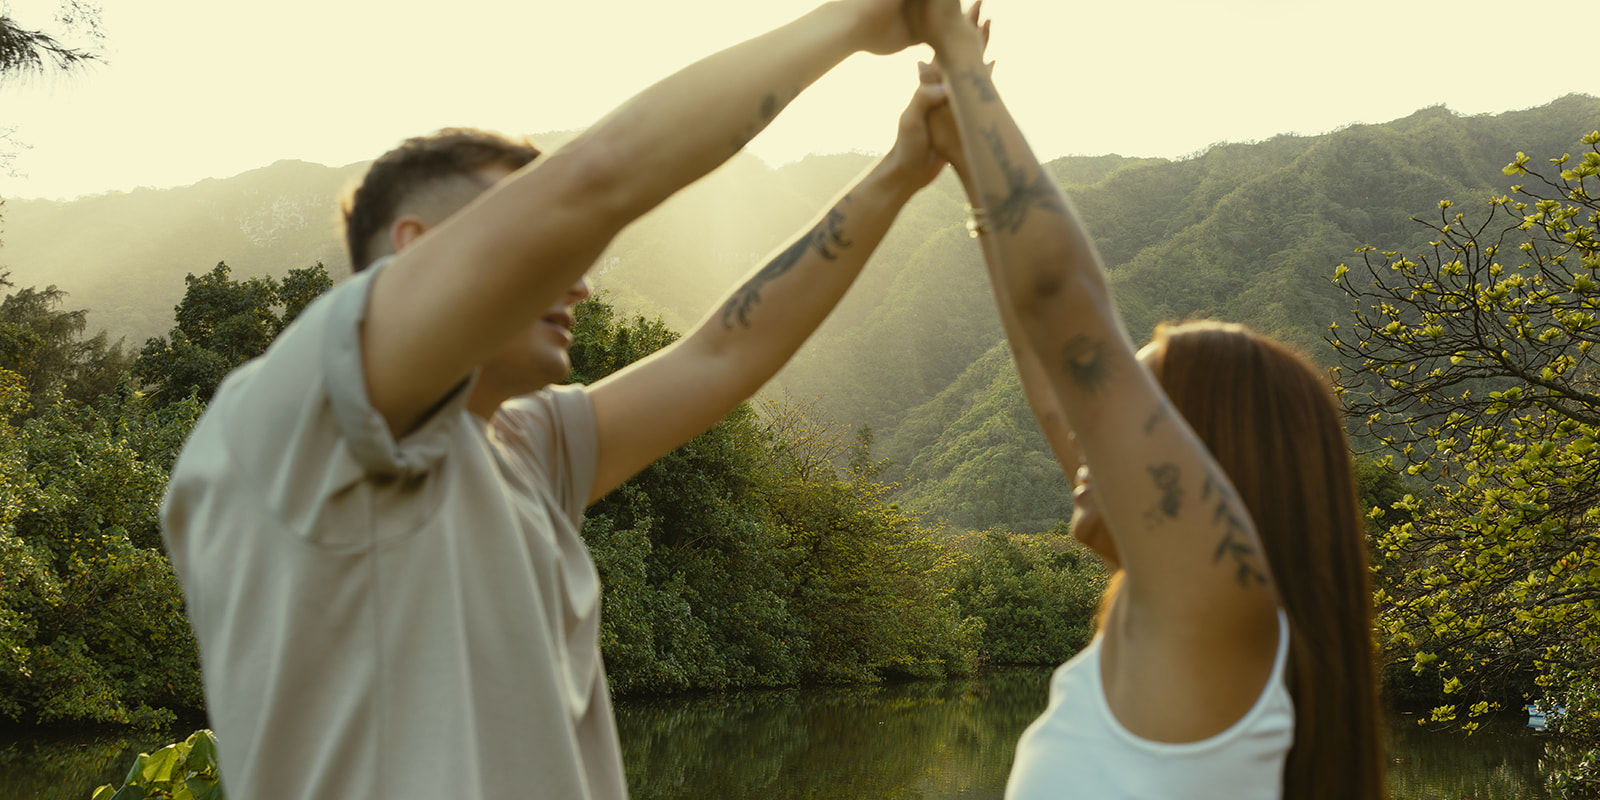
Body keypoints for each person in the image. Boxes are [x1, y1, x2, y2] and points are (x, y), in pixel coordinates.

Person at [158, 4, 950, 798]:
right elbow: (600, 178)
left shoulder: (520, 449)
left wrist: (900, 171)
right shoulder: (305, 416)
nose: (580, 279)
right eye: (550, 245)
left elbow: (725, 353)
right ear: (418, 252)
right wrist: (859, 20)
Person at [910, 2, 1385, 798]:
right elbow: (1047, 361)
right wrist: (966, 159)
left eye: (1129, 422)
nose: (1089, 440)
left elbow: (1062, 304)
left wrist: (960, 55)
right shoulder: (1179, 619)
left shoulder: (1221, 611)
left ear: (1211, 467)